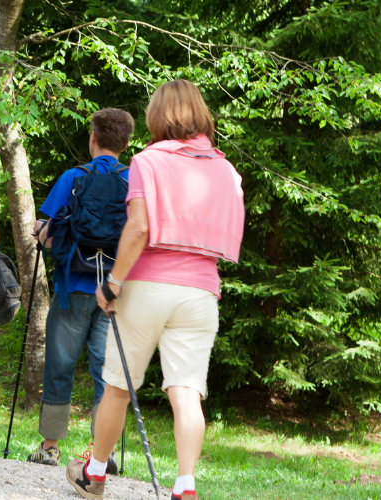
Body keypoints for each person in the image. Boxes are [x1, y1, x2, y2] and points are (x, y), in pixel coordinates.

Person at [65, 80, 244, 500]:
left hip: (149, 285)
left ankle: (94, 475)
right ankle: (185, 485)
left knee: (118, 386)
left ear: (156, 115)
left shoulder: (148, 161)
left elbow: (140, 227)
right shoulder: (225, 168)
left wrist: (113, 283)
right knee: (187, 391)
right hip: (201, 290)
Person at [27, 108, 134, 468]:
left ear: (93, 138)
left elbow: (49, 233)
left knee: (60, 363)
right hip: (115, 292)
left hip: (73, 285)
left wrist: (40, 232)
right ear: (126, 142)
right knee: (108, 371)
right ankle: (103, 453)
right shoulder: (134, 182)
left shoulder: (74, 177)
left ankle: (50, 446)